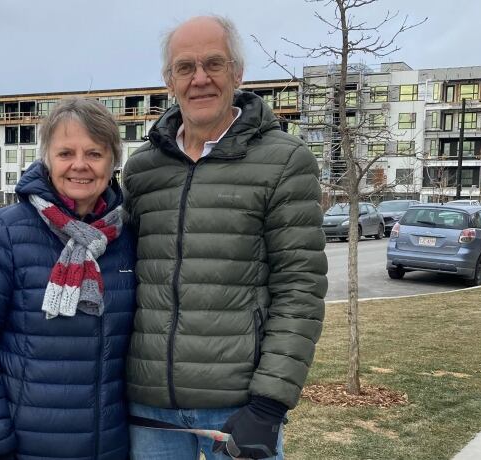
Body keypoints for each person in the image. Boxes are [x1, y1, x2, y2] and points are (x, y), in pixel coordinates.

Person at [122, 15, 328, 460]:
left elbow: (300, 289)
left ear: (237, 73)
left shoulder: (284, 161)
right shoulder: (142, 169)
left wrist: (270, 403)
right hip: (150, 407)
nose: (200, 79)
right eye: (185, 67)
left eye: (214, 64)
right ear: (168, 80)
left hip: (239, 409)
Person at [0, 97, 136, 460]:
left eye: (94, 154)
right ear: (47, 157)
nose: (80, 165)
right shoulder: (3, 234)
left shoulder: (127, 238)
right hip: (22, 446)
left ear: (113, 161)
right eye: (66, 153)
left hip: (107, 447)